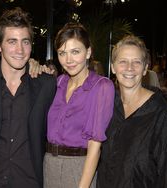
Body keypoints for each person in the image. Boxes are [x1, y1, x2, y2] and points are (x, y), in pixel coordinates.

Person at [0, 7, 56, 188]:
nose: (20, 50)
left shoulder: (47, 85)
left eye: (25, 42)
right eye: (12, 41)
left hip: (30, 182)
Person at [44, 22, 115, 188]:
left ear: (88, 52)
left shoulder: (102, 86)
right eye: (62, 53)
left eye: (75, 52)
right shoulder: (58, 83)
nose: (68, 60)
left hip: (79, 168)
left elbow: (95, 146)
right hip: (49, 166)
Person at [97, 35, 167, 188]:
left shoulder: (160, 112)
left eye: (136, 62)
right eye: (123, 61)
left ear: (145, 68)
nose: (129, 68)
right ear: (113, 67)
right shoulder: (107, 104)